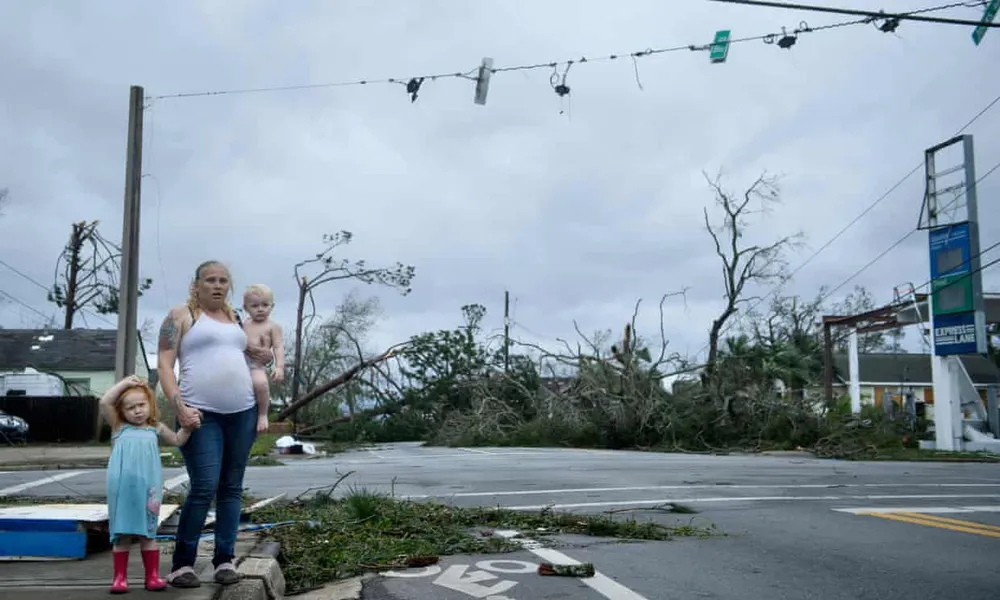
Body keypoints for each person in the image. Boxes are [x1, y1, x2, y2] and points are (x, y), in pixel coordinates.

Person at [156, 260, 274, 588]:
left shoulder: (236, 318)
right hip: (200, 415)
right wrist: (179, 407)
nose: (217, 285)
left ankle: (224, 559)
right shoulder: (181, 316)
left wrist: (263, 356)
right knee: (204, 486)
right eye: (210, 280)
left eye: (223, 280)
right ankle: (182, 564)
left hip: (243, 412)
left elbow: (240, 352)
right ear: (197, 285)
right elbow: (165, 366)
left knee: (231, 487)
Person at [100, 374, 191, 594]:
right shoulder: (119, 427)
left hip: (148, 489)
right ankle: (119, 579)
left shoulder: (155, 428)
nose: (138, 410)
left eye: (141, 405)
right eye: (130, 408)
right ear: (122, 411)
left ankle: (152, 577)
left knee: (148, 534)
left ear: (149, 404)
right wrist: (125, 384)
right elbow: (104, 402)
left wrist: (188, 427)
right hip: (122, 490)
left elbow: (178, 440)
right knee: (121, 534)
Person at [241, 283, 285, 431]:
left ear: (272, 306)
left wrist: (279, 367)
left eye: (265, 305)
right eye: (255, 306)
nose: (260, 309)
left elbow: (278, 347)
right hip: (239, 363)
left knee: (261, 384)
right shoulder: (243, 324)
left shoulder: (273, 326)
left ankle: (262, 414)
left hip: (256, 365)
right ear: (246, 307)